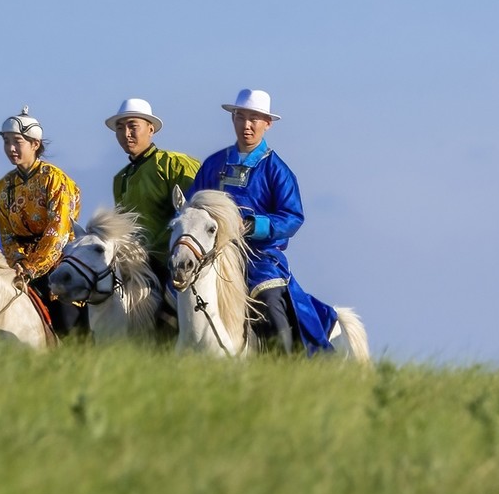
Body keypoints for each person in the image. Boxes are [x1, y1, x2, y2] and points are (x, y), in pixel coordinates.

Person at [186, 88, 335, 355]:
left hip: (261, 257)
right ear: (233, 119)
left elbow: (293, 217)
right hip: (214, 253)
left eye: (254, 119)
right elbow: (191, 206)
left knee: (269, 300)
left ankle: (287, 362)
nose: (247, 125)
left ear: (267, 124)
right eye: (241, 117)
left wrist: (257, 226)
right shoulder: (213, 164)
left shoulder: (277, 169)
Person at [0, 106, 86, 338]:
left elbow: (58, 232)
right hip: (21, 268)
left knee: (67, 325)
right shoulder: (4, 186)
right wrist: (18, 262)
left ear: (35, 144)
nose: (10, 149)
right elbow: (6, 234)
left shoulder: (54, 179)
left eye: (17, 142)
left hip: (59, 263)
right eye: (6, 142)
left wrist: (32, 267)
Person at [105, 98, 201, 292]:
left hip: (174, 261)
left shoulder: (176, 164)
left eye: (133, 126)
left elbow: (195, 214)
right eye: (120, 128)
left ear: (151, 129)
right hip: (136, 265)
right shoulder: (120, 178)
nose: (126, 134)